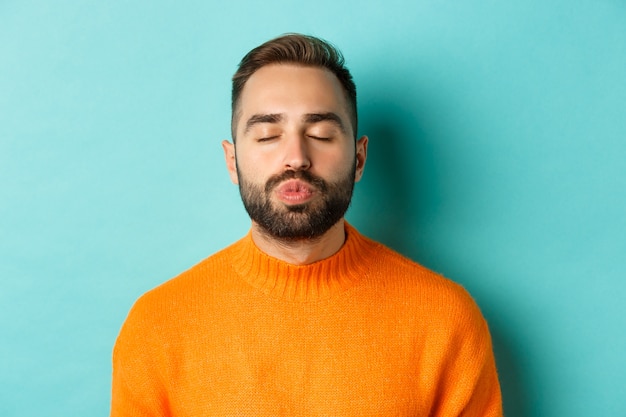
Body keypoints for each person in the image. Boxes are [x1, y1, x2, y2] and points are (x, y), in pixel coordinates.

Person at [110, 33, 503, 416]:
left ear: (360, 158)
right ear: (232, 161)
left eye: (320, 134)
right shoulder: (157, 326)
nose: (296, 157)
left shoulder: (445, 320)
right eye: (267, 135)